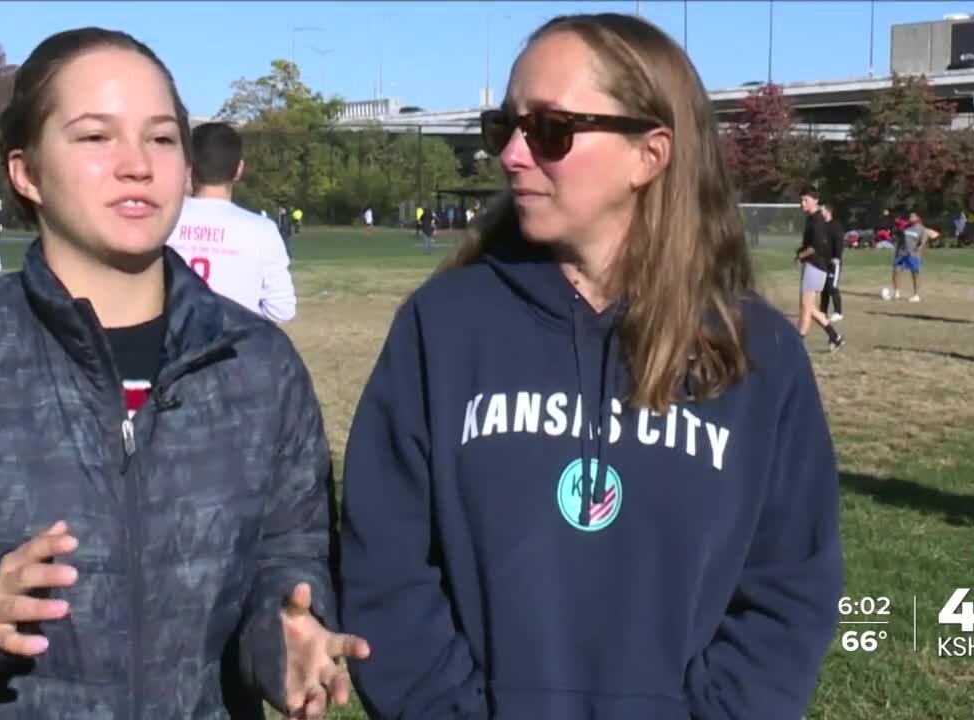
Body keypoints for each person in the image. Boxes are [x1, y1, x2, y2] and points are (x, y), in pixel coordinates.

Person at [0, 27, 366, 720]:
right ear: (26, 171)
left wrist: (283, 642)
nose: (137, 164)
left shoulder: (259, 367)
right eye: (96, 137)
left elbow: (290, 565)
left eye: (163, 139)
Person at [337, 13, 842, 720]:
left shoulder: (756, 352)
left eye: (549, 131)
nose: (513, 154)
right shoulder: (444, 326)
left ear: (650, 154)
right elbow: (385, 570)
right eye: (502, 128)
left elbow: (790, 588)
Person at [166, 122, 296, 323]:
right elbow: (281, 309)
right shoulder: (262, 230)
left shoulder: (163, 219)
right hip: (237, 349)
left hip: (172, 345)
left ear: (188, 165)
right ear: (239, 169)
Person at [796, 188, 845, 351]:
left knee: (806, 307)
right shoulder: (812, 218)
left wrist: (801, 255)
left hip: (815, 266)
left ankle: (798, 343)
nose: (802, 203)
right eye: (801, 200)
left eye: (805, 200)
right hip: (813, 266)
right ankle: (835, 337)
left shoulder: (816, 220)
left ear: (815, 201)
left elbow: (815, 247)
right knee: (808, 307)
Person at [888, 210, 937, 302]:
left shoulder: (922, 229)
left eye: (912, 216)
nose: (910, 218)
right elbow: (897, 235)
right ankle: (896, 292)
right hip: (901, 253)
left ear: (918, 218)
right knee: (896, 271)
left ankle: (916, 295)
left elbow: (923, 241)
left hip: (913, 254)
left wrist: (919, 248)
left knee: (915, 274)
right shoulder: (905, 227)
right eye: (910, 216)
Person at [819, 202, 844, 322]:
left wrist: (837, 257)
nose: (820, 212)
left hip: (834, 262)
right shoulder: (821, 225)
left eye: (822, 210)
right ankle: (822, 312)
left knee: (832, 287)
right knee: (823, 288)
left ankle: (838, 312)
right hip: (823, 262)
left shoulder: (836, 226)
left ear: (828, 212)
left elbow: (839, 243)